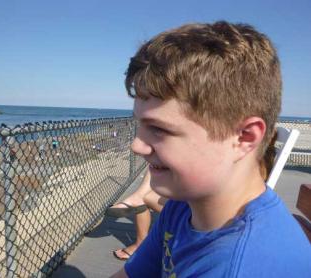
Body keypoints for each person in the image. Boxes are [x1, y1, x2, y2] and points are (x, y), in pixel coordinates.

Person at [112, 21, 311, 277]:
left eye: (159, 129)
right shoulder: (184, 205)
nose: (136, 145)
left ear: (244, 137)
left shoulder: (240, 266)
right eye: (140, 124)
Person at [106, 170, 167, 260]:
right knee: (144, 195)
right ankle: (137, 197)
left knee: (143, 198)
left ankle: (140, 245)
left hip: (191, 210)